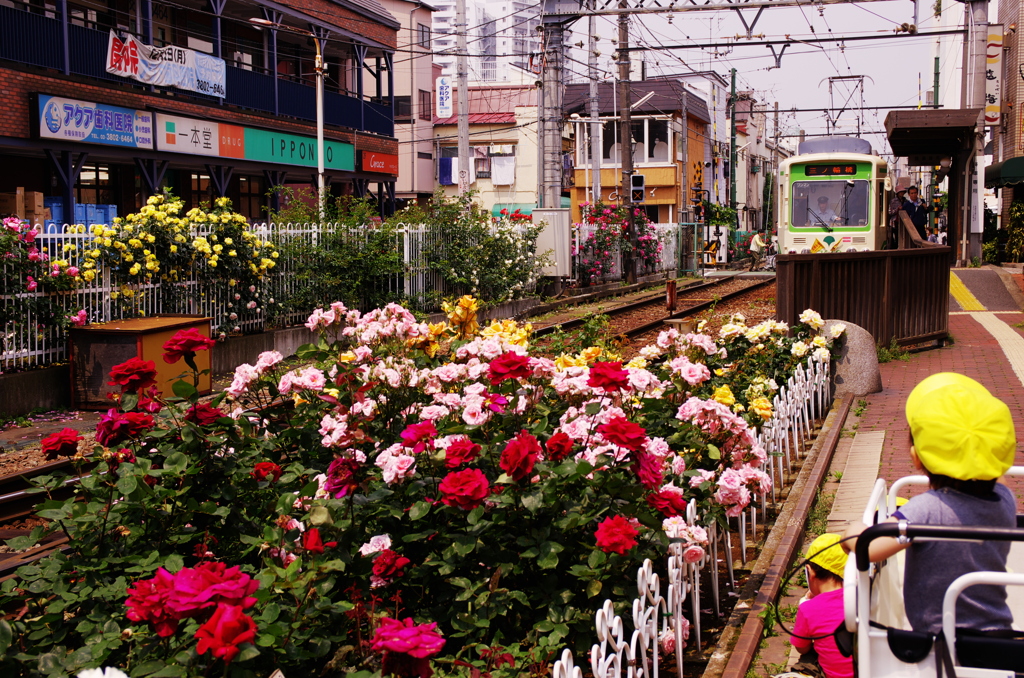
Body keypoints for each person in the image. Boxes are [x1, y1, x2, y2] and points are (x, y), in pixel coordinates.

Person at [844, 373, 1017, 635]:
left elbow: (868, 549)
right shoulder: (1005, 499)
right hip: (998, 635)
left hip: (940, 641)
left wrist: (854, 529)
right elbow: (993, 471)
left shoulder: (926, 509)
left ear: (916, 457)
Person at [790, 534, 854, 678]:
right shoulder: (865, 596)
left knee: (807, 659)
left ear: (810, 572)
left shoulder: (808, 608)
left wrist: (806, 602)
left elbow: (802, 648)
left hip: (832, 675)